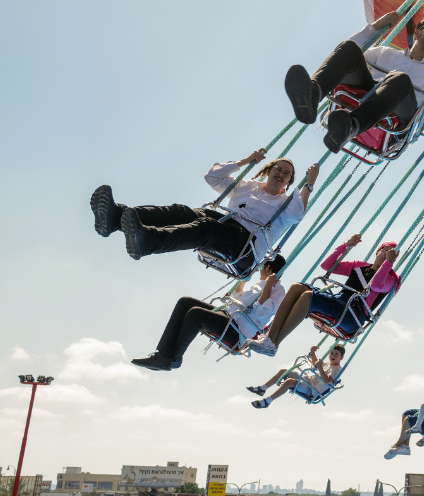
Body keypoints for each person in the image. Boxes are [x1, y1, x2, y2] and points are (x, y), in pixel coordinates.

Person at [283, 8, 424, 153]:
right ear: (418, 32)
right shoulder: (384, 52)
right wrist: (375, 27)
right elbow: (346, 56)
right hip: (364, 92)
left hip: (398, 115)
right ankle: (312, 94)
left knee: (400, 79)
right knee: (350, 49)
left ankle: (353, 126)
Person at [90, 148, 318, 265]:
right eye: (278, 169)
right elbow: (213, 177)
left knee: (206, 227)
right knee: (183, 212)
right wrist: (245, 161)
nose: (281, 174)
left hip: (246, 244)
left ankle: (147, 241)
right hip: (225, 223)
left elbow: (298, 214)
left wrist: (309, 183)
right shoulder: (248, 186)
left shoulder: (286, 204)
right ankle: (114, 217)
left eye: (287, 174)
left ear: (289, 182)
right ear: (268, 171)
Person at [246, 234, 400, 357]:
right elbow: (327, 266)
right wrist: (345, 245)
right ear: (378, 251)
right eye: (384, 251)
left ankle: (274, 343)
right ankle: (269, 339)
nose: (386, 256)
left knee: (308, 297)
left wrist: (388, 264)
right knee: (297, 287)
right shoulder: (359, 266)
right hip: (340, 302)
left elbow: (375, 285)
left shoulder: (390, 279)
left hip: (354, 315)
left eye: (390, 255)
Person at [129, 255, 288, 371]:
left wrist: (268, 285)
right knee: (185, 302)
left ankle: (174, 359)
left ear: (267, 268)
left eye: (262, 267)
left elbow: (262, 312)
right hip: (227, 316)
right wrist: (245, 279)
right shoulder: (260, 284)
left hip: (237, 331)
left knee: (195, 314)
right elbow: (235, 296)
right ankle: (163, 354)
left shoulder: (277, 289)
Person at [249, 344, 345, 407]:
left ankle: (268, 401)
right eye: (332, 353)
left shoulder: (337, 369)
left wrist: (319, 367)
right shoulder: (328, 364)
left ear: (341, 357)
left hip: (312, 390)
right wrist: (313, 353)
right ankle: (263, 388)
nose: (333, 356)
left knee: (289, 382)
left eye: (337, 354)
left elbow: (328, 381)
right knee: (284, 371)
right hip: (309, 380)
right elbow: (315, 364)